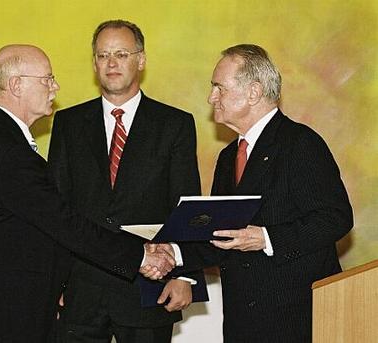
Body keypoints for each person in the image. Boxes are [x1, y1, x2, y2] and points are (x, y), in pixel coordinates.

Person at [0, 44, 175, 343]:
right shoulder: (7, 151)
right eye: (47, 79)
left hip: (1, 314)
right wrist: (140, 255)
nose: (55, 87)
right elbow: (64, 222)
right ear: (16, 85)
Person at [144, 44, 353, 342]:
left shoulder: (300, 143)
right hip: (244, 319)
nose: (210, 97)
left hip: (296, 318)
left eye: (219, 87)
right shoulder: (229, 156)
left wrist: (266, 238)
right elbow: (221, 234)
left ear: (254, 92)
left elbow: (336, 218)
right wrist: (173, 253)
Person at [48, 20, 203, 343]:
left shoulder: (174, 124)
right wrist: (53, 282)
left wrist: (186, 276)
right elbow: (57, 206)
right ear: (94, 64)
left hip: (149, 288)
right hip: (82, 289)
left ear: (141, 60)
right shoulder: (68, 123)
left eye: (121, 53)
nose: (112, 63)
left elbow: (185, 203)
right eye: (103, 56)